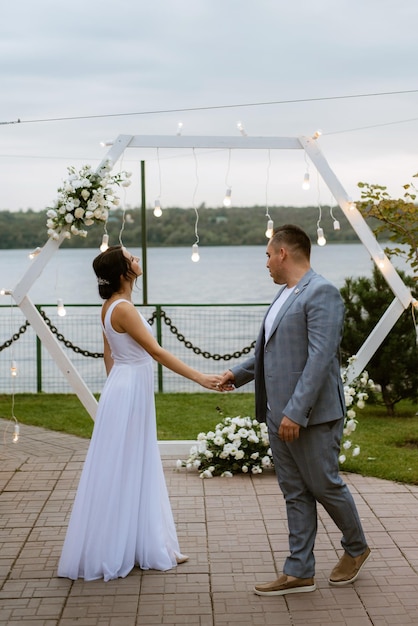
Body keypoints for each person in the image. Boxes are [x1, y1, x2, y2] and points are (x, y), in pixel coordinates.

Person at [219, 224, 370, 596]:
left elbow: (320, 359)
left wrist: (295, 412)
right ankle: (299, 570)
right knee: (294, 492)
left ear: (283, 252)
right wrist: (236, 374)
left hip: (311, 417)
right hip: (277, 414)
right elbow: (274, 352)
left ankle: (356, 547)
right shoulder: (285, 295)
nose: (266, 263)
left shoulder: (322, 292)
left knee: (324, 485)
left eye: (268, 255)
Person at [58, 245, 222, 581]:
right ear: (123, 272)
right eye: (132, 258)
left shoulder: (109, 307)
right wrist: (201, 377)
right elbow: (157, 352)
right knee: (131, 463)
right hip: (129, 389)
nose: (138, 260)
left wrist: (116, 393)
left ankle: (144, 542)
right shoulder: (124, 309)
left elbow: (109, 357)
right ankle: (127, 547)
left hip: (123, 387)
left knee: (133, 463)